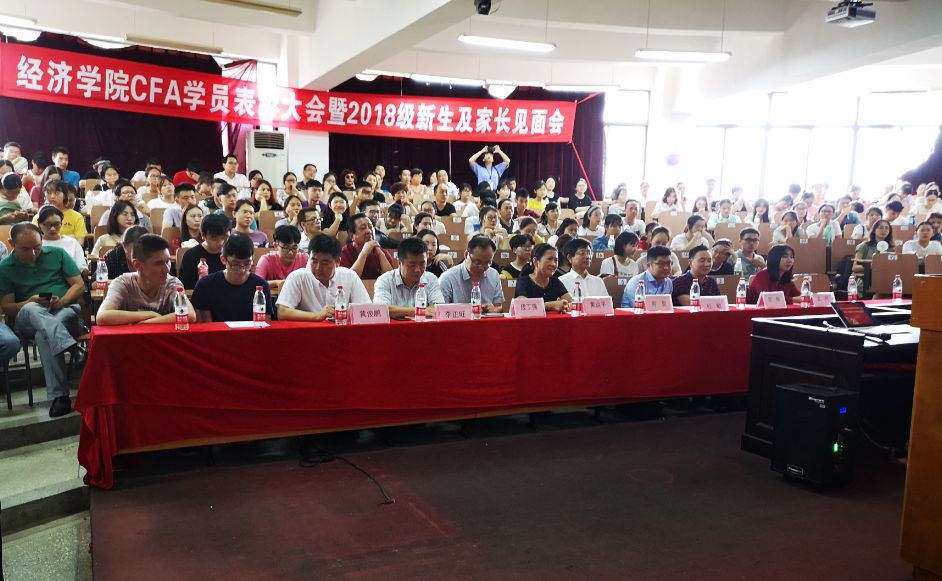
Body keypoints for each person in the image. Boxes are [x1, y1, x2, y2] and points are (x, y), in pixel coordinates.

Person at [0, 224, 86, 417]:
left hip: (65, 311)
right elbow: (7, 307)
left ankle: (61, 397)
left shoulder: (57, 254)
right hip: (28, 319)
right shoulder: (4, 268)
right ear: (12, 244)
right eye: (25, 249)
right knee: (32, 308)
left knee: (44, 335)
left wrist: (62, 301)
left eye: (37, 247)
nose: (32, 253)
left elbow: (79, 285)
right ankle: (73, 349)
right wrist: (28, 302)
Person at [96, 233, 195, 326]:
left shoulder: (172, 284)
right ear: (137, 265)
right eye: (159, 263)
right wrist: (150, 314)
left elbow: (190, 315)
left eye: (168, 261)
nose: (167, 270)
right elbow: (102, 316)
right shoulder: (123, 283)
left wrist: (144, 324)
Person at [277, 233, 370, 321]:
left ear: (338, 262)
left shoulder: (350, 276)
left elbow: (368, 310)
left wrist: (352, 312)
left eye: (325, 263)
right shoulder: (297, 277)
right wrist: (317, 316)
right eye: (314, 261)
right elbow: (282, 312)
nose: (318, 268)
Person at [189, 233, 273, 323]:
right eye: (235, 264)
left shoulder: (261, 286)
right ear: (223, 260)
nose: (242, 270)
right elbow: (206, 327)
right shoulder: (206, 285)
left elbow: (265, 325)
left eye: (247, 264)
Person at [371, 237, 443, 318]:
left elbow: (439, 307)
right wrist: (420, 311)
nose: (418, 270)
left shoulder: (431, 279)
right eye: (412, 265)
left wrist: (398, 311)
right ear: (399, 263)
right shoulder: (385, 280)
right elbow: (381, 309)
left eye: (422, 264)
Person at [439, 235, 504, 312]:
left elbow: (499, 306)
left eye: (487, 263)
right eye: (477, 262)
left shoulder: (493, 275)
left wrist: (494, 310)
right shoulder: (448, 278)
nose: (481, 267)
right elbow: (440, 310)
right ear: (466, 254)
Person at [514, 243, 572, 313]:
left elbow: (573, 303)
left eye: (556, 260)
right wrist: (551, 305)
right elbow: (522, 305)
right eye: (549, 259)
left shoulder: (556, 281)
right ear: (535, 261)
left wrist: (564, 305)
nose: (553, 264)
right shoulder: (523, 282)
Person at [179, 213, 231, 289]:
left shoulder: (234, 254)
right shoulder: (190, 256)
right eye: (214, 238)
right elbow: (187, 289)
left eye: (225, 238)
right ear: (203, 235)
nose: (220, 243)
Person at [339, 212, 394, 279]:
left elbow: (391, 280)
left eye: (371, 227)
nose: (369, 231)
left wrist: (380, 255)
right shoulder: (344, 253)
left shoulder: (383, 253)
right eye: (363, 228)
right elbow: (348, 280)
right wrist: (364, 254)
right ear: (351, 236)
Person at [37, 206, 87, 271]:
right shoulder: (35, 244)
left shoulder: (72, 243)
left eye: (57, 224)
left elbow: (83, 268)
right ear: (39, 223)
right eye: (48, 224)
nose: (53, 229)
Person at [852, 219, 895, 287]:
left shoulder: (891, 248)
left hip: (884, 278)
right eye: (881, 228)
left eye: (886, 228)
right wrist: (872, 266)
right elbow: (854, 267)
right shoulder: (864, 246)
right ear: (874, 230)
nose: (884, 230)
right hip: (865, 278)